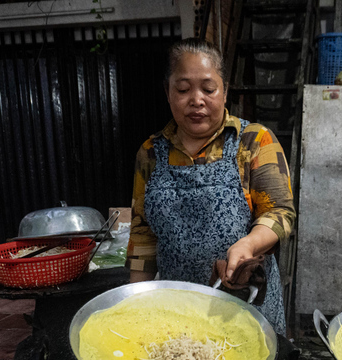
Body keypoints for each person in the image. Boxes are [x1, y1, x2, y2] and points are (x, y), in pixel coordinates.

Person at [126, 38, 295, 335]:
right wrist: (134, 305)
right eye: (182, 89)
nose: (196, 100)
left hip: (244, 304)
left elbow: (280, 212)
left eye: (208, 88)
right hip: (177, 307)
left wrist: (249, 243)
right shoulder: (150, 153)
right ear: (168, 92)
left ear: (225, 90)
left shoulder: (254, 141)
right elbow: (143, 236)